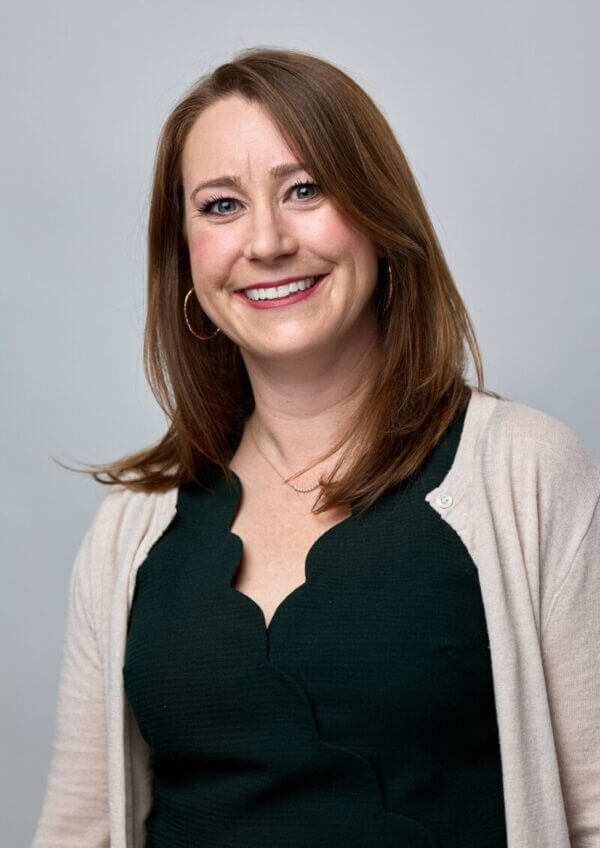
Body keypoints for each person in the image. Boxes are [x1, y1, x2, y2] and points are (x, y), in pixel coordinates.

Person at [32, 47, 599, 848]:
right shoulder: (131, 531)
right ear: (186, 257)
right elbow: (78, 830)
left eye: (305, 190)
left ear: (378, 214)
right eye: (221, 206)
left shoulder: (525, 472)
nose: (265, 242)